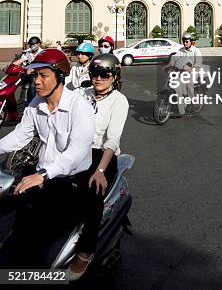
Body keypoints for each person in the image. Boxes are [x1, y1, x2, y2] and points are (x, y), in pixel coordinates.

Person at [0, 49, 95, 267]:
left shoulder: (79, 106)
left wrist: (44, 174)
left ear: (60, 77)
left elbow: (77, 152)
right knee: (15, 214)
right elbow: (19, 136)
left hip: (71, 180)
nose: (37, 82)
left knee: (44, 238)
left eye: (44, 75)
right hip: (41, 175)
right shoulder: (36, 103)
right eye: (35, 76)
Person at [67, 54, 129, 281]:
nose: (99, 78)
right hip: (77, 150)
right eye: (95, 74)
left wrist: (100, 170)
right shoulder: (81, 94)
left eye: (105, 74)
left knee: (93, 194)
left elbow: (112, 140)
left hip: (102, 155)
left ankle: (86, 251)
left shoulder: (118, 101)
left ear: (114, 77)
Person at [167, 32, 203, 116]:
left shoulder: (196, 51)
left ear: (191, 42)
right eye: (184, 41)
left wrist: (191, 68)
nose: (185, 43)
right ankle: (180, 107)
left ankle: (192, 103)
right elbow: (174, 59)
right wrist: (170, 66)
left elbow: (198, 63)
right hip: (181, 71)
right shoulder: (180, 50)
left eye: (187, 41)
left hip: (193, 72)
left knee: (188, 83)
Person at [13, 36, 43, 104]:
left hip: (39, 74)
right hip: (29, 73)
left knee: (32, 85)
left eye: (34, 44)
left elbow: (42, 65)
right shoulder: (29, 53)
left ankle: (32, 103)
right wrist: (11, 66)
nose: (32, 46)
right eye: (31, 45)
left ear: (38, 44)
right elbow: (21, 60)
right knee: (18, 80)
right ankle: (22, 100)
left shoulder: (42, 53)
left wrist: (32, 70)